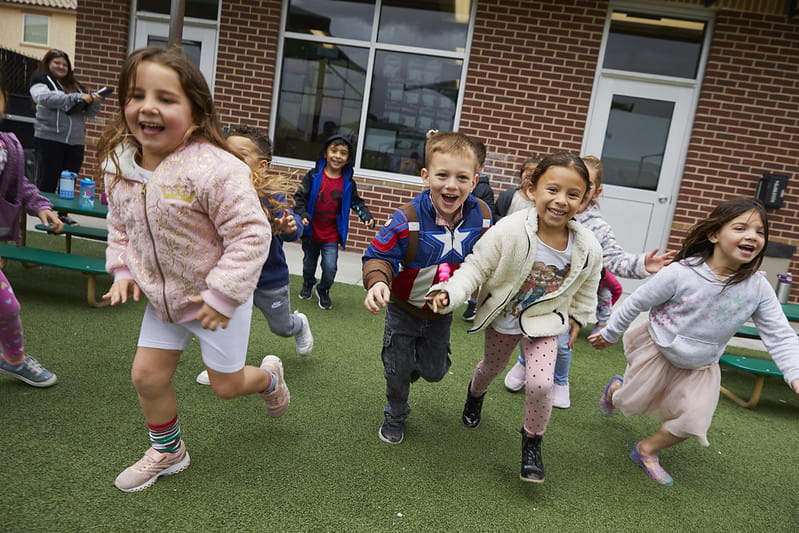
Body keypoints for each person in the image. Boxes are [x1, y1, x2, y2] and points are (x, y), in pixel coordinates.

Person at [96, 47, 289, 493]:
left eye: (166, 98)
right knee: (146, 376)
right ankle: (169, 451)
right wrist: (123, 269)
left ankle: (270, 378)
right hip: (164, 300)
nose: (147, 106)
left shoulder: (216, 169)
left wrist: (221, 295)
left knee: (226, 386)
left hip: (216, 302)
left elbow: (251, 236)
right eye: (136, 94)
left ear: (197, 113)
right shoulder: (120, 166)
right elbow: (120, 225)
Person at [588, 198, 799, 487]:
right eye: (741, 228)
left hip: (702, 364)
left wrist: (795, 374)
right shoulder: (681, 273)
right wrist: (609, 333)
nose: (752, 236)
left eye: (760, 232)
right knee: (630, 401)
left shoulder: (758, 287)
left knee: (694, 421)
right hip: (660, 351)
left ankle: (646, 450)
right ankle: (615, 389)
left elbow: (780, 335)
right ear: (714, 235)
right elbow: (635, 302)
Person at [427, 152, 603, 483]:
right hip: (504, 317)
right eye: (552, 189)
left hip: (546, 322)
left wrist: (578, 319)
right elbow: (477, 267)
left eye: (572, 194)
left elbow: (587, 286)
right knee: (490, 368)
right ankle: (475, 395)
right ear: (532, 189)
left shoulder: (588, 246)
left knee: (540, 384)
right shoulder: (509, 230)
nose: (560, 201)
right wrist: (450, 292)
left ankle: (532, 442)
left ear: (584, 200)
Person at [504, 155, 676, 410]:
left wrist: (642, 264)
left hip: (570, 298)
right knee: (530, 330)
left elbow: (615, 259)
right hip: (539, 288)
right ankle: (523, 362)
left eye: (583, 185)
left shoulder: (597, 227)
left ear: (594, 191)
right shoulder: (543, 210)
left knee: (561, 343)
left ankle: (560, 381)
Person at [362, 131, 491, 445]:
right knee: (396, 370)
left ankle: (413, 367)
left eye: (462, 177)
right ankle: (395, 413)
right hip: (403, 310)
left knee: (434, 372)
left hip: (441, 312)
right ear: (425, 176)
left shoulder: (484, 218)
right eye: (442, 175)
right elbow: (379, 254)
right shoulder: (407, 219)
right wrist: (378, 281)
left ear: (474, 181)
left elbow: (493, 258)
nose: (451, 185)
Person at [196, 125, 313, 385]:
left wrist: (287, 226)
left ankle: (300, 324)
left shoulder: (269, 196)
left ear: (261, 166)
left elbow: (292, 223)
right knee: (224, 317)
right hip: (233, 275)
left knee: (280, 327)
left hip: (268, 279)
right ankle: (221, 367)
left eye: (238, 157)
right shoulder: (216, 191)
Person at [0, 69, 62, 387]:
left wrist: (41, 207)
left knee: (8, 307)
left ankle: (14, 359)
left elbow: (21, 184)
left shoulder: (7, 146)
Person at [294, 135, 374, 310]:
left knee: (330, 268)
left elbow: (356, 202)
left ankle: (323, 290)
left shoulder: (348, 183)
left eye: (343, 153)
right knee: (309, 264)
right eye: (334, 151)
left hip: (331, 235)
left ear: (348, 158)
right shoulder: (313, 176)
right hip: (311, 232)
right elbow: (299, 197)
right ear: (325, 153)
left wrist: (366, 217)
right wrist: (302, 214)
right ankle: (308, 283)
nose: (338, 156)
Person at [29, 49, 103, 224]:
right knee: (48, 179)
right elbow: (43, 98)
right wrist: (76, 97)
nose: (61, 67)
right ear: (48, 64)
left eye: (64, 64)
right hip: (50, 138)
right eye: (57, 63)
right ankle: (43, 215)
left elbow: (90, 113)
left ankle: (62, 214)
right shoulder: (40, 80)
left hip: (75, 141)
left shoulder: (75, 85)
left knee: (69, 180)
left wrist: (94, 100)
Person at [462, 139, 495, 321]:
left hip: (474, 234)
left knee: (473, 267)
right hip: (454, 231)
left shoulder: (483, 188)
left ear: (480, 166)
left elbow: (489, 213)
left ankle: (473, 302)